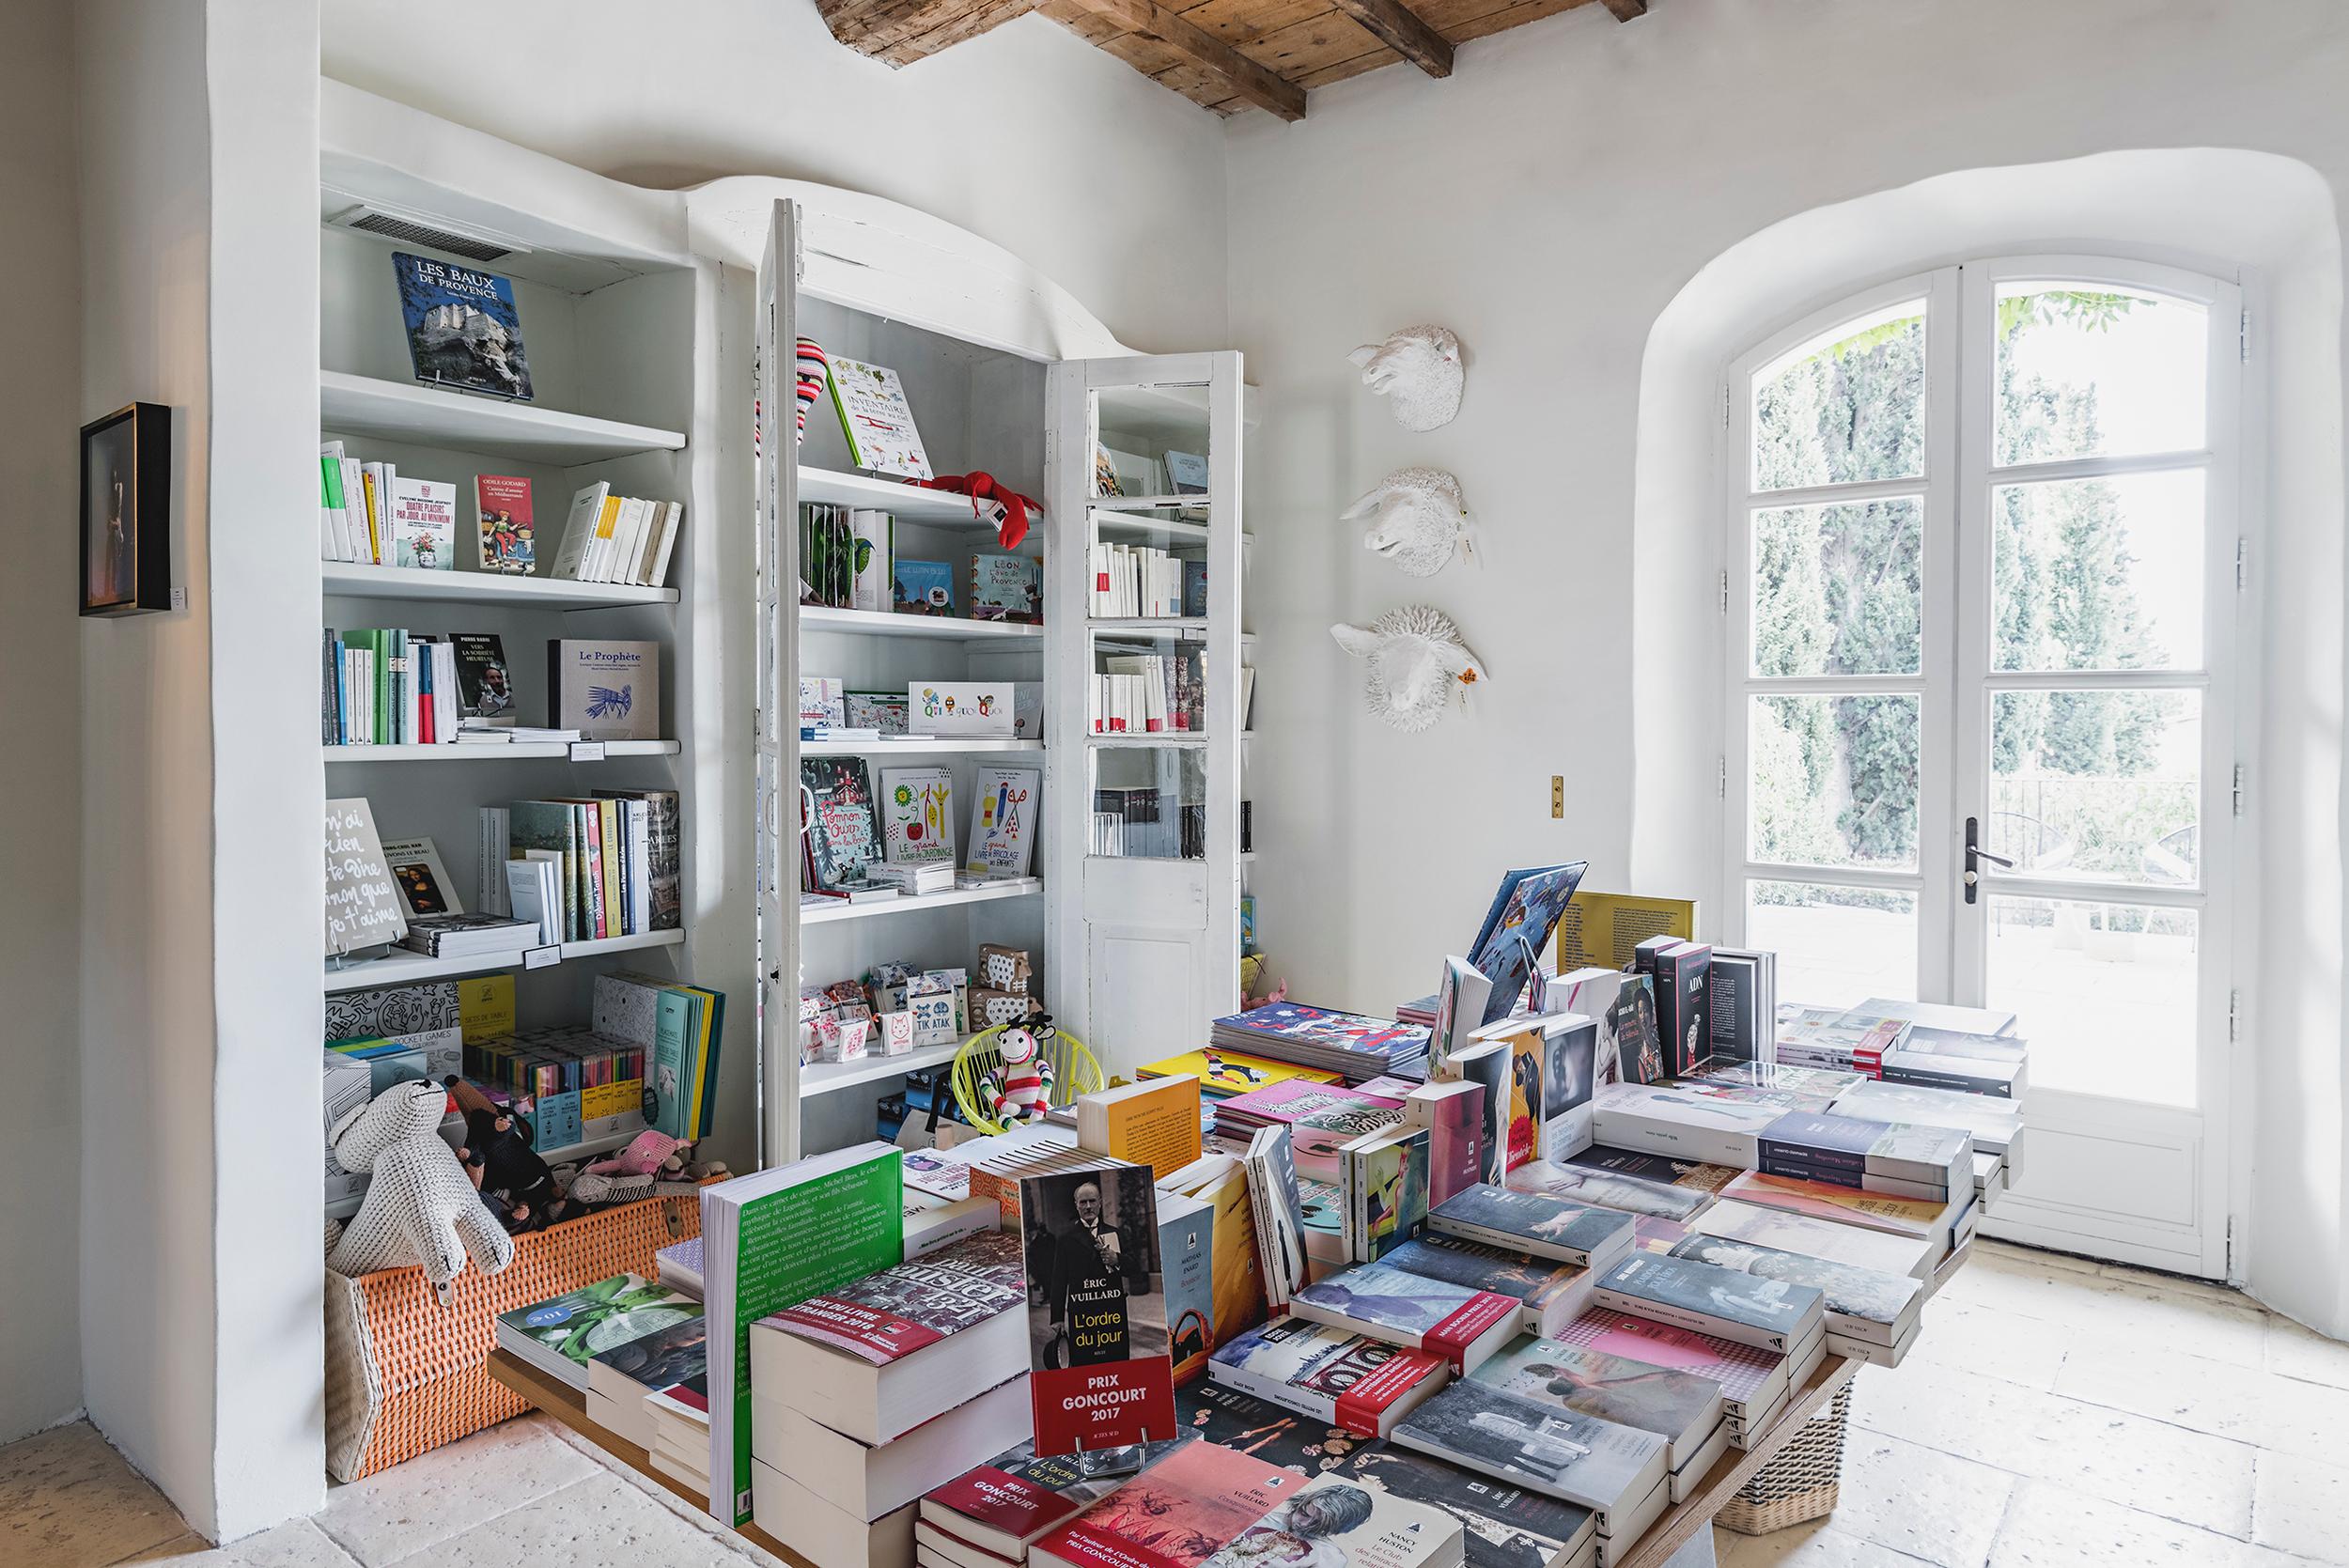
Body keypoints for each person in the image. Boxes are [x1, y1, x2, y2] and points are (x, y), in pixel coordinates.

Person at [1046, 1178, 1132, 1366]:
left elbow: (1135, 1268)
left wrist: (1117, 1259)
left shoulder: (1115, 1233)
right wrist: (1057, 1318)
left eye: (1092, 1201)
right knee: (1085, 1362)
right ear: (1076, 1205)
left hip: (1112, 1311)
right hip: (1083, 1314)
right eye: (1083, 1202)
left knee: (1116, 1360)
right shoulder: (1066, 1239)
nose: (1088, 1206)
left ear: (1100, 1202)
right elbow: (1058, 1280)